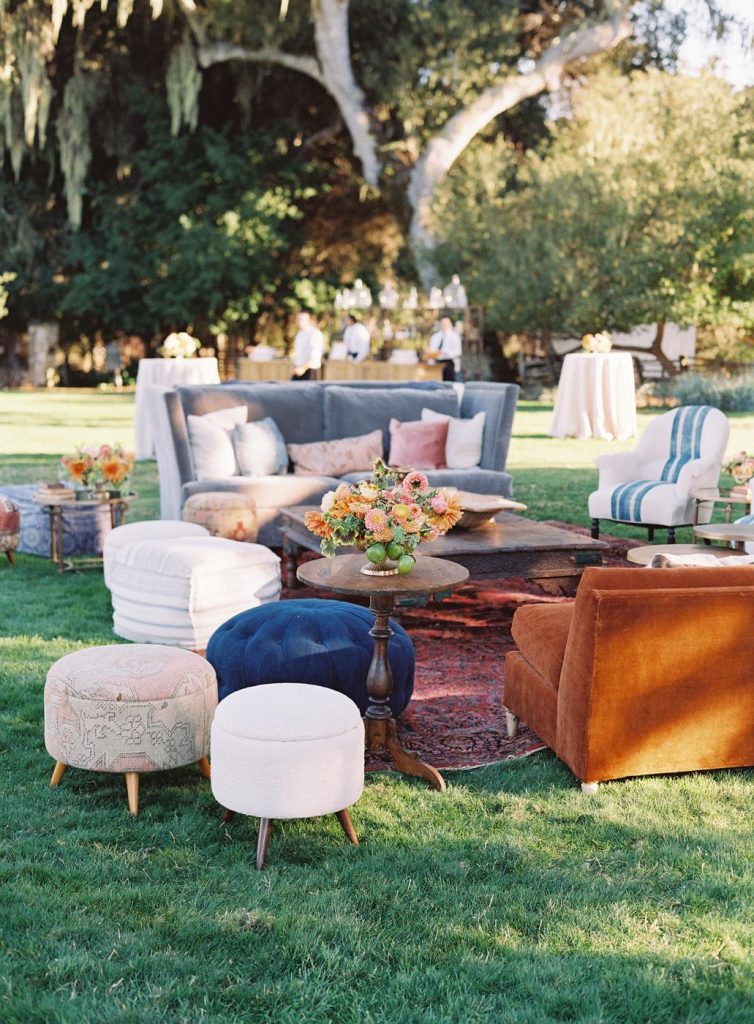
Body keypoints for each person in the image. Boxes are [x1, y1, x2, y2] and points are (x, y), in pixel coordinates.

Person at [425, 315, 462, 381]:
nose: (444, 326)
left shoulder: (455, 337)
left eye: (446, 324)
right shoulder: (435, 337)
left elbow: (458, 352)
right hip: (436, 363)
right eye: (442, 324)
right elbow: (432, 349)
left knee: (448, 383)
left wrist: (445, 353)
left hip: (448, 363)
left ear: (450, 324)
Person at [291, 311, 325, 380]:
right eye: (298, 319)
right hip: (298, 369)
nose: (299, 321)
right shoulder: (299, 333)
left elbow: (315, 354)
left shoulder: (314, 333)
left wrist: (303, 368)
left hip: (310, 370)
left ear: (308, 320)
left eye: (302, 319)